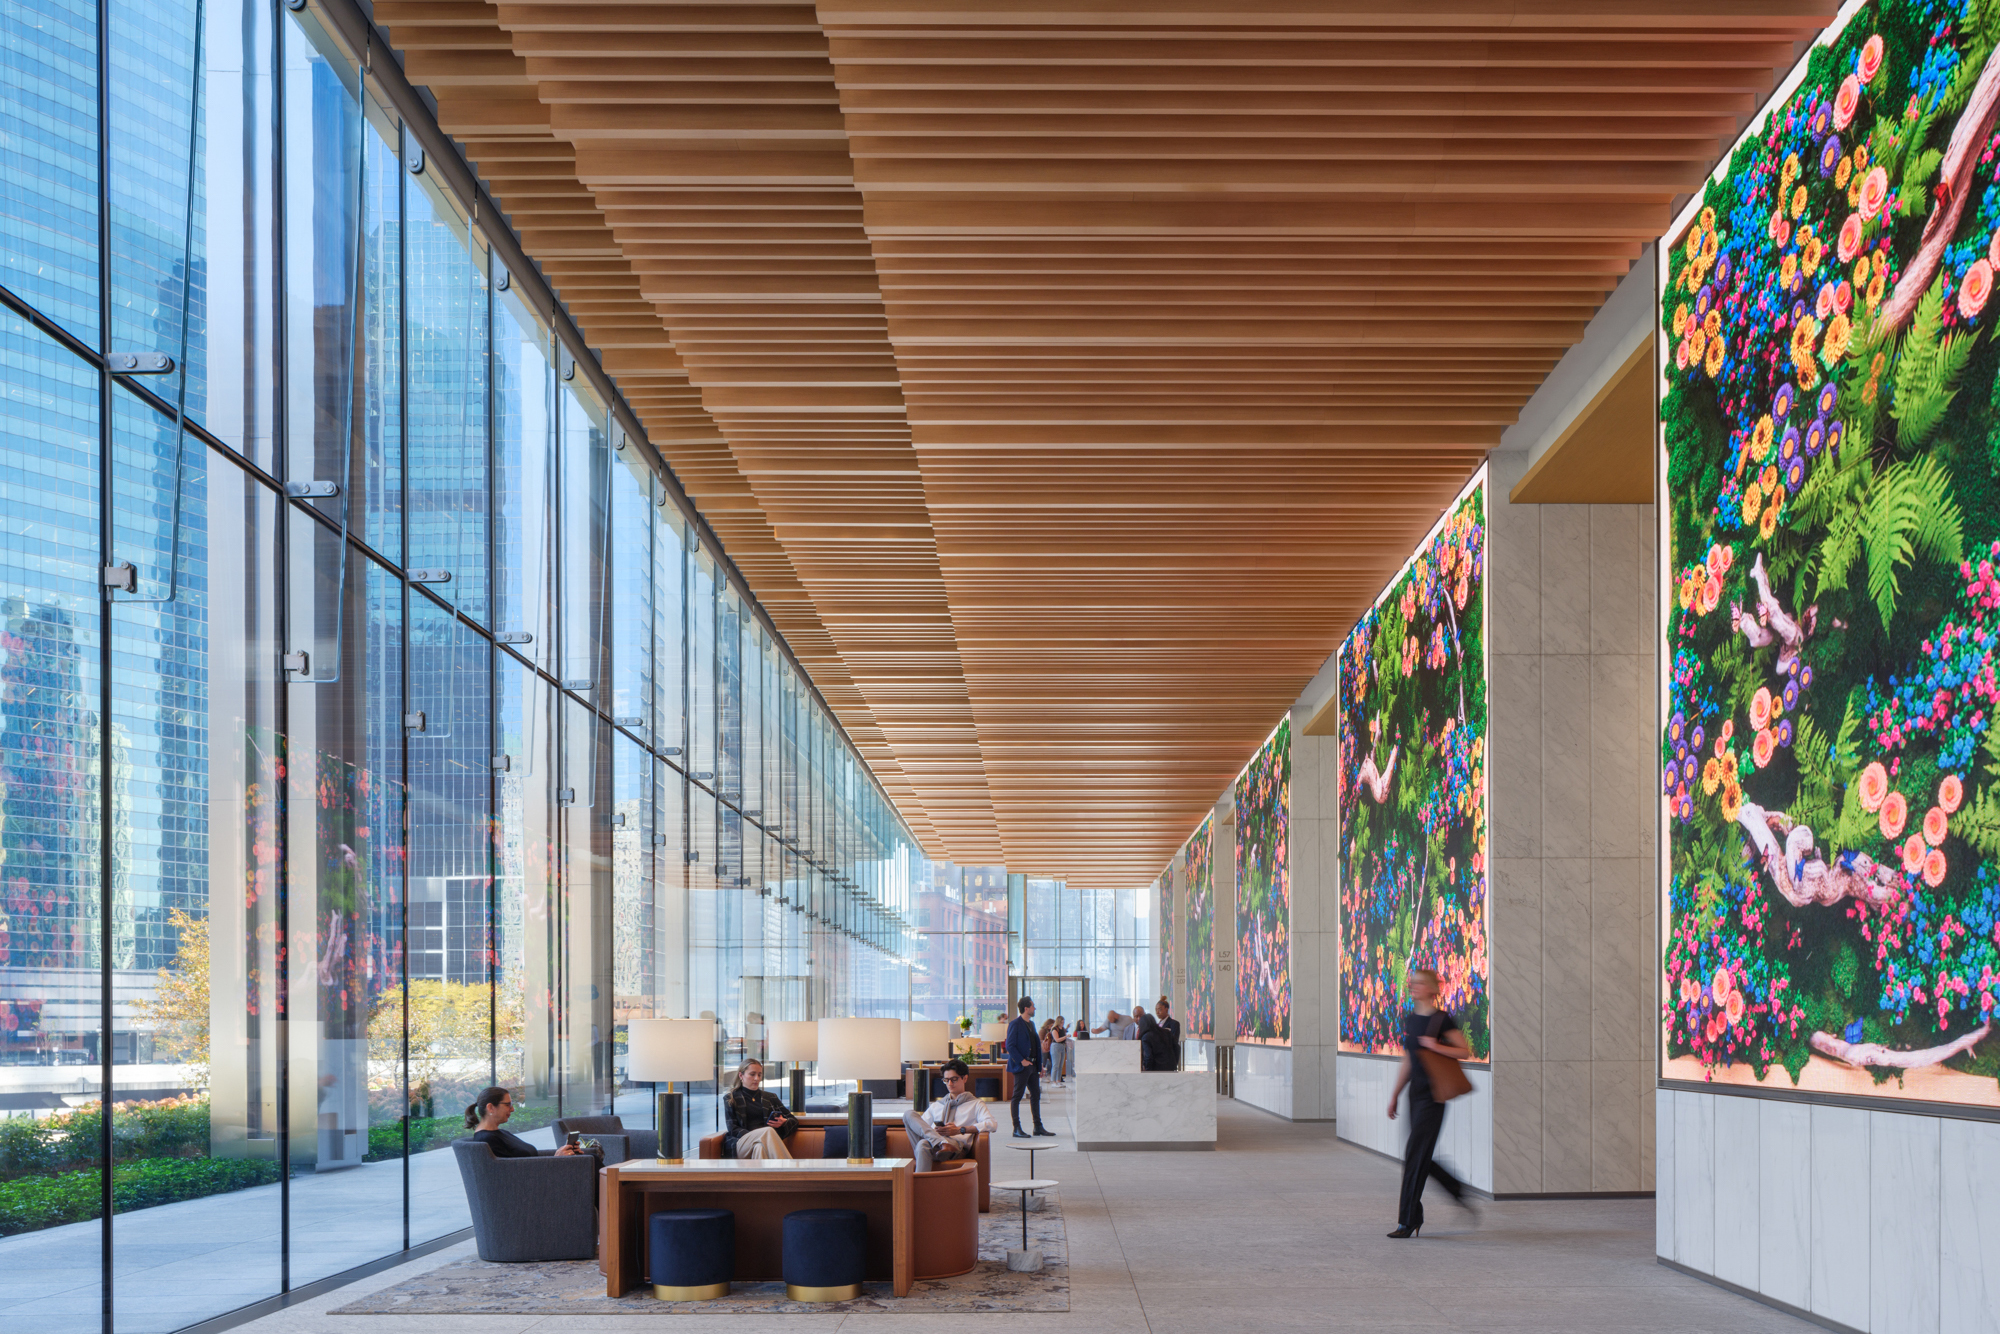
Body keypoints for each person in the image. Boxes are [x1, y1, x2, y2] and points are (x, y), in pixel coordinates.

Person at [1385, 966, 1475, 1237]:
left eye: (1420, 983)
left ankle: (1408, 1220)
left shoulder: (1441, 1019)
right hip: (1415, 1094)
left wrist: (1436, 1046)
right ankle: (1455, 1188)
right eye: (1412, 982)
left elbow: (1464, 1051)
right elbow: (1409, 1060)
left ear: (1433, 989)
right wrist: (1395, 1094)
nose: (1413, 986)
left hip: (1434, 1096)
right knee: (1419, 1154)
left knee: (1414, 1154)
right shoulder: (1411, 1020)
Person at [900, 1058, 996, 1171]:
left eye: (954, 1079)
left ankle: (920, 1186)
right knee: (908, 1114)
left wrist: (960, 1130)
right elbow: (922, 1128)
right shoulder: (937, 1105)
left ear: (965, 1078)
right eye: (946, 1080)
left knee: (922, 1145)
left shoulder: (975, 1104)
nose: (950, 1084)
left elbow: (992, 1124)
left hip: (956, 1147)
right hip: (932, 1144)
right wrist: (934, 1134)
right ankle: (941, 1142)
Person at [465, 1086, 583, 1158]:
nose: (512, 1109)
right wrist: (556, 1160)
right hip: (535, 1186)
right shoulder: (487, 1140)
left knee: (589, 1158)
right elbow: (515, 1173)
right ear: (490, 1107)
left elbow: (524, 1164)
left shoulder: (500, 1133)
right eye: (507, 1105)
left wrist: (562, 1154)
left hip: (542, 1175)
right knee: (591, 1161)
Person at [722, 1058, 798, 1160]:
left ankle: (762, 1176)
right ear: (741, 1075)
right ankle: (791, 1169)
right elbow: (733, 1128)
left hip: (764, 1143)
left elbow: (793, 1120)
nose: (757, 1078)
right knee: (767, 1131)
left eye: (759, 1074)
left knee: (759, 1148)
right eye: (752, 1074)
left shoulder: (771, 1097)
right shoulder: (731, 1098)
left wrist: (784, 1122)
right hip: (741, 1143)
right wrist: (756, 1135)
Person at [1007, 995, 1054, 1138]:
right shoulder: (1015, 1024)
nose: (1035, 1008)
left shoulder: (1032, 1024)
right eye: (1033, 1006)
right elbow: (1010, 1045)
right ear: (1026, 1008)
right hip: (1022, 1066)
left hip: (1033, 1066)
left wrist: (1039, 1066)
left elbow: (1036, 1046)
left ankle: (1038, 1127)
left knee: (1036, 1095)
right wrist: (1021, 1061)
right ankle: (1016, 1128)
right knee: (1017, 1096)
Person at [1152, 997, 1183, 1071]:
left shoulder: (1174, 1024)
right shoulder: (1156, 1025)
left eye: (1160, 1009)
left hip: (1168, 1058)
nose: (1157, 1012)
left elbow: (1174, 1041)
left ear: (1166, 1009)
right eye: (1156, 1010)